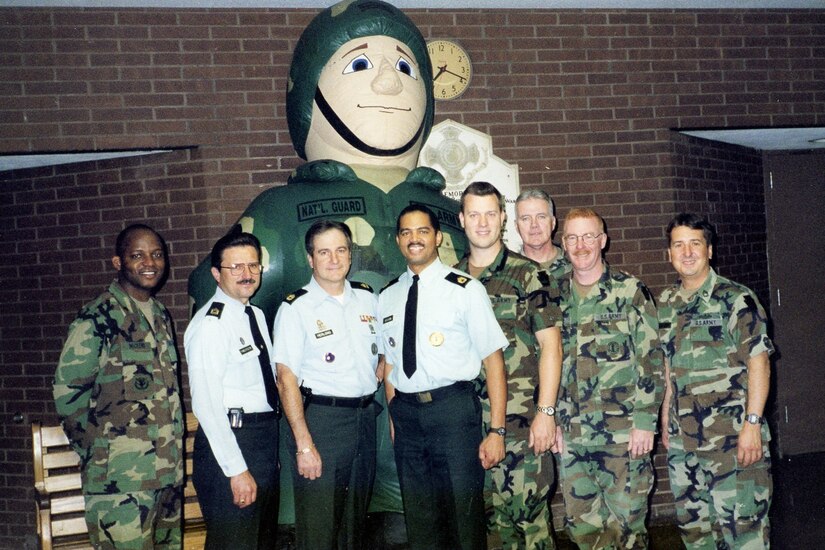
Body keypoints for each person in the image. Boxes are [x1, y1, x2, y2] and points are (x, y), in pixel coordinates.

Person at [186, 0, 467, 527]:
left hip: (425, 424)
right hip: (325, 426)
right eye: (360, 64)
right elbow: (220, 292)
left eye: (405, 67)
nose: (388, 83)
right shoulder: (281, 210)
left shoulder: (449, 211)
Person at [379, 204, 509, 550]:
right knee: (420, 518)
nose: (414, 238)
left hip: (452, 411)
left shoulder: (464, 289)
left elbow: (494, 361)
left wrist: (496, 430)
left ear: (437, 237)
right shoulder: (388, 296)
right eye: (406, 232)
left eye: (422, 231)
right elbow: (389, 365)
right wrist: (395, 418)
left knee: (463, 518)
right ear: (397, 240)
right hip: (407, 416)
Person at [53, 224, 183, 549]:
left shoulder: (161, 315)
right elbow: (68, 394)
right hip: (120, 485)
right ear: (118, 262)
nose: (149, 262)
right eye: (137, 255)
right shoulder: (98, 319)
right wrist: (98, 455)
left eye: (156, 254)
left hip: (167, 474)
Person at [455, 182, 563, 550]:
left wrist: (546, 412)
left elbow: (552, 345)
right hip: (469, 423)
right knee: (494, 527)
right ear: (462, 220)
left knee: (531, 524)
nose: (482, 223)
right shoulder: (451, 280)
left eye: (490, 213)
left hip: (522, 422)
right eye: (474, 214)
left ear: (502, 218)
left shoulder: (528, 275)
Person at [659, 213, 774, 549]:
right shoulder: (666, 304)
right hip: (685, 446)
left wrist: (752, 423)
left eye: (695, 243)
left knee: (744, 534)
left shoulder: (736, 299)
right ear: (669, 254)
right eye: (678, 245)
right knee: (696, 536)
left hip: (733, 442)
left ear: (709, 250)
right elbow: (669, 365)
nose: (687, 252)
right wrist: (667, 412)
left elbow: (759, 362)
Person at [553, 207, 663, 549]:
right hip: (571, 434)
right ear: (564, 243)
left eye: (589, 236)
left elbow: (651, 359)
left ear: (603, 240)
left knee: (627, 530)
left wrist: (645, 421)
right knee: (584, 530)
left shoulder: (630, 292)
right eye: (572, 237)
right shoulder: (553, 297)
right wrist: (551, 421)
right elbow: (547, 364)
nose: (581, 245)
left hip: (623, 435)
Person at [273, 220, 382, 549]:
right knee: (319, 529)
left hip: (364, 418)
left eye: (340, 250)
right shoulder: (296, 308)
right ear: (310, 259)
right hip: (322, 422)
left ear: (350, 255)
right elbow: (285, 378)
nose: (334, 259)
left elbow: (383, 353)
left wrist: (373, 375)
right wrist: (304, 445)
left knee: (354, 526)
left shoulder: (367, 299)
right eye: (324, 252)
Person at [184, 230, 279, 549]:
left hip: (261, 441)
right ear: (215, 273)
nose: (247, 274)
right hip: (231, 444)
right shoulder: (211, 325)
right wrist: (236, 470)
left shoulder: (256, 315)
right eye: (235, 267)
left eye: (253, 266)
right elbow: (206, 405)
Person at [515, 189, 571, 280]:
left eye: (541, 217)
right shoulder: (505, 273)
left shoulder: (576, 268)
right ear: (516, 226)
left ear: (553, 223)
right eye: (526, 218)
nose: (534, 225)